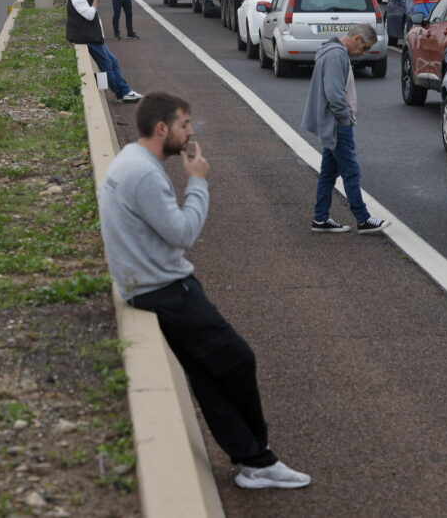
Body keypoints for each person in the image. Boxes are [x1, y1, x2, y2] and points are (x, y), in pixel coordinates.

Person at [98, 92, 312, 491]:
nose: (191, 132)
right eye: (184, 125)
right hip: (166, 290)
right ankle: (258, 456)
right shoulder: (145, 174)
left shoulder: (130, 159)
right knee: (238, 360)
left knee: (207, 376)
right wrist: (197, 182)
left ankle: (254, 460)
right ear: (161, 128)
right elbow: (183, 234)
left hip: (142, 285)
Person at [302, 25, 391, 234]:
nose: (364, 53)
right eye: (365, 47)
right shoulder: (336, 55)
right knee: (351, 171)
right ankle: (363, 219)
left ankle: (320, 218)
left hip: (331, 123)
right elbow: (334, 93)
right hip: (337, 124)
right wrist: (344, 119)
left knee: (328, 173)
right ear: (357, 38)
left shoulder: (331, 51)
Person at [66, 0, 143, 103]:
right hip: (87, 38)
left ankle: (124, 91)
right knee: (107, 65)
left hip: (94, 37)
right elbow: (90, 15)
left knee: (113, 62)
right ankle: (122, 93)